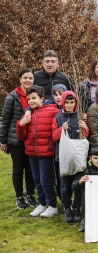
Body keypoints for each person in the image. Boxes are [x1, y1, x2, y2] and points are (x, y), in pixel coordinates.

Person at [16, 85, 61, 217]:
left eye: (34, 98)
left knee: (46, 180)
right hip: (31, 153)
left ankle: (52, 205)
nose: (31, 101)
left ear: (42, 99)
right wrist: (21, 124)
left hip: (46, 153)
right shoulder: (27, 114)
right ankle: (42, 204)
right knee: (37, 180)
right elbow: (22, 136)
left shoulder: (53, 111)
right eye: (29, 99)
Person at [0, 68, 36, 209]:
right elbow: (5, 120)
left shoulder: (34, 95)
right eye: (25, 78)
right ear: (20, 79)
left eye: (30, 78)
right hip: (15, 140)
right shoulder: (12, 97)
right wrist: (3, 140)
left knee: (31, 168)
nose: (28, 80)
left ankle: (31, 195)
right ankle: (19, 196)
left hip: (30, 139)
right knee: (18, 169)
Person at [52, 90, 89, 223]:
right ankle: (67, 208)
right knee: (65, 185)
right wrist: (62, 129)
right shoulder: (58, 118)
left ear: (75, 103)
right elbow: (54, 136)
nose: (69, 105)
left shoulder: (79, 116)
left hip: (78, 158)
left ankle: (77, 207)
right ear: (62, 102)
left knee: (78, 184)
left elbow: (86, 135)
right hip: (63, 158)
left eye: (71, 102)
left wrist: (85, 127)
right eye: (66, 102)